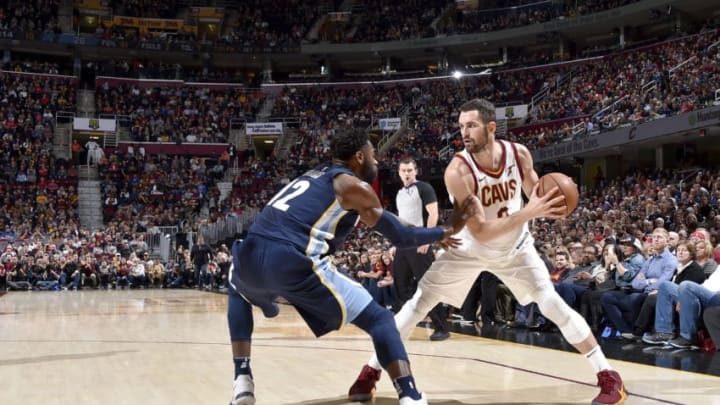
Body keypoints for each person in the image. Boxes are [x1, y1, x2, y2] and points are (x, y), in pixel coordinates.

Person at [348, 98, 626, 405]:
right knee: (417, 305)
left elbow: (536, 193)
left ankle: (608, 376)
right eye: (461, 126)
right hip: (471, 247)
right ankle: (371, 370)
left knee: (552, 304)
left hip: (516, 249)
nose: (464, 132)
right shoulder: (458, 170)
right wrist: (530, 212)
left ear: (491, 127)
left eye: (471, 125)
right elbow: (480, 229)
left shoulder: (518, 154)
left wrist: (555, 202)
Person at [227, 128, 477, 405]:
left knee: (236, 287)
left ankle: (242, 379)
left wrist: (433, 235)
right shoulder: (352, 186)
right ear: (359, 157)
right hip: (291, 260)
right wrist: (447, 229)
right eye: (373, 155)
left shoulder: (313, 174)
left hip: (249, 254)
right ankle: (410, 396)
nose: (377, 162)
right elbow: (402, 237)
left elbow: (395, 224)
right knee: (380, 320)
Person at [392, 157, 450, 341]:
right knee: (401, 286)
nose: (407, 173)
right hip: (404, 244)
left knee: (427, 287)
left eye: (410, 170)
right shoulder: (399, 193)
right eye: (403, 170)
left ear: (415, 171)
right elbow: (400, 220)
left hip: (420, 243)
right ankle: (404, 326)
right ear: (399, 173)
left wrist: (427, 239)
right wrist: (395, 244)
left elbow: (433, 214)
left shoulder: (424, 188)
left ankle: (442, 327)